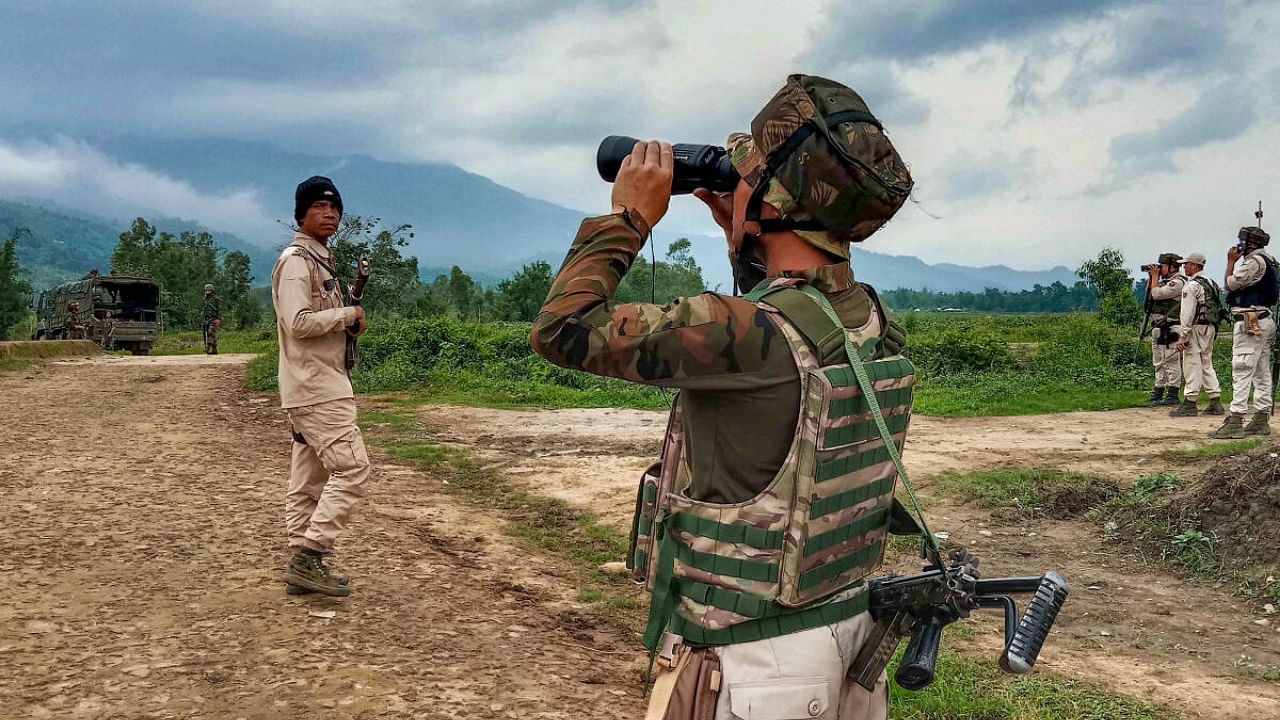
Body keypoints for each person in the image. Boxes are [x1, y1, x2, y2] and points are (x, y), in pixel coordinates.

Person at [532, 75, 916, 720]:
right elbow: (779, 329)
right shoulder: (866, 315)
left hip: (755, 663)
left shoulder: (743, 333)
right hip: (844, 637)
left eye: (745, 174)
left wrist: (627, 216)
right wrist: (748, 237)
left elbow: (561, 330)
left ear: (775, 199)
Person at [271, 175, 370, 597]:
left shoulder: (321, 261)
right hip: (317, 388)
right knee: (352, 468)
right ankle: (311, 555)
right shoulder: (297, 262)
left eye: (335, 208)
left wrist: (347, 321)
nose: (329, 213)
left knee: (309, 479)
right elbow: (297, 323)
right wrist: (346, 316)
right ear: (301, 213)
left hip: (316, 383)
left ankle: (302, 562)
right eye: (318, 207)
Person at [1210, 226, 1276, 438]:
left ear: (1249, 243)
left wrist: (1230, 261)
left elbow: (1231, 284)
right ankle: (1260, 418)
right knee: (1261, 370)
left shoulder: (1253, 262)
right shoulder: (1270, 260)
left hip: (1250, 317)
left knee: (1242, 366)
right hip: (1263, 317)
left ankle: (1236, 419)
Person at [1170, 252, 1225, 417]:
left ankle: (1190, 402)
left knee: (1191, 363)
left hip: (1196, 328)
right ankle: (1215, 400)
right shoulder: (1211, 283)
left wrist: (1183, 335)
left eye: (1186, 264)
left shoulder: (1191, 285)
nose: (1184, 266)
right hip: (1210, 327)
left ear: (1194, 265)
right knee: (1206, 363)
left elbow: (1187, 313)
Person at [1145, 254, 1186, 406]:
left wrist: (1155, 277)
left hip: (1172, 327)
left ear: (1172, 266)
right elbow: (1150, 295)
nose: (1159, 269)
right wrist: (1152, 278)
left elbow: (1157, 294)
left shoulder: (1178, 282)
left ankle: (1173, 393)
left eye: (1162, 266)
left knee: (1171, 361)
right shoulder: (1163, 282)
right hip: (1158, 326)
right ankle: (1158, 390)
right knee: (1159, 362)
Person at [202, 284, 221, 355]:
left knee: (211, 332)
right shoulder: (205, 299)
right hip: (206, 319)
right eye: (206, 290)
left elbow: (219, 309)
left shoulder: (216, 299)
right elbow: (205, 310)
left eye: (208, 290)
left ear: (212, 290)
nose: (207, 292)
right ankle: (213, 348)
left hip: (214, 318)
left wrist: (218, 319)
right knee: (206, 333)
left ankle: (210, 347)